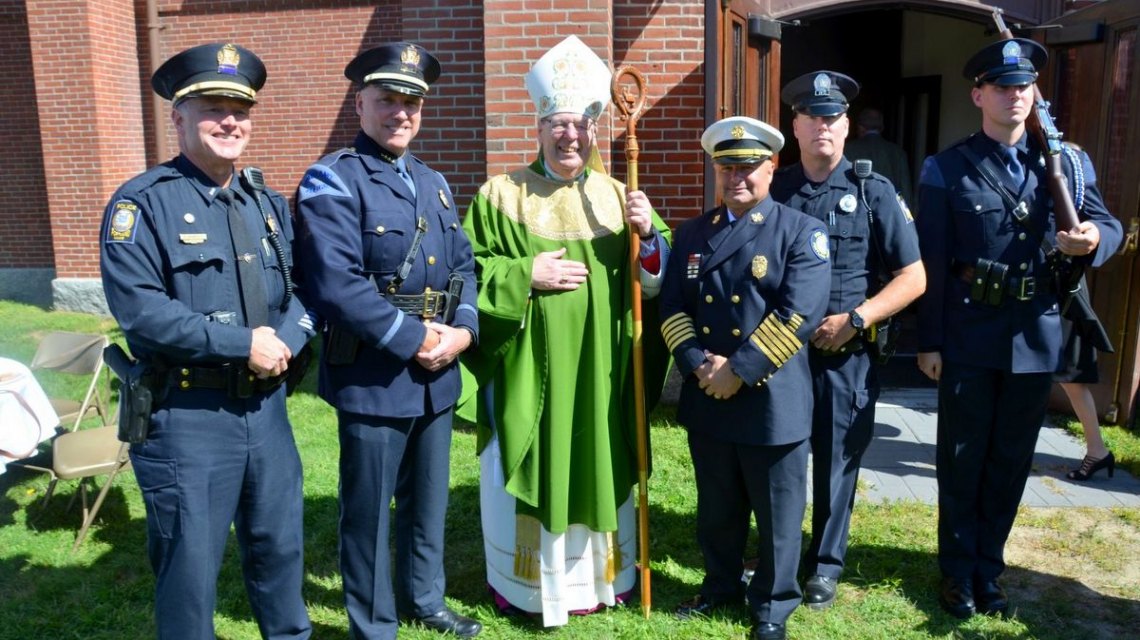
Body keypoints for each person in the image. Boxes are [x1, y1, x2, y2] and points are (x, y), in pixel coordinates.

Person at [455, 35, 671, 627]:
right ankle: (525, 587)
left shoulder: (619, 197)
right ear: (540, 126)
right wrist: (525, 273)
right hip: (529, 370)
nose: (569, 135)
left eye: (579, 124)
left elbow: (654, 284)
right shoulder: (500, 196)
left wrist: (648, 236)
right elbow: (464, 273)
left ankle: (605, 578)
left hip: (601, 371)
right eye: (557, 123)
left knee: (598, 454)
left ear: (596, 130)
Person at [100, 44, 314, 640]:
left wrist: (288, 340)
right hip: (187, 418)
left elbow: (303, 292)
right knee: (190, 576)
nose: (230, 122)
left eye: (240, 111)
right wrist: (242, 343)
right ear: (179, 118)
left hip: (266, 414)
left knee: (280, 555)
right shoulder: (141, 204)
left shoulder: (266, 205)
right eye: (212, 109)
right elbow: (142, 315)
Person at [915, 38, 1122, 619]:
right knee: (962, 460)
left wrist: (1094, 240)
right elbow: (931, 260)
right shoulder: (947, 167)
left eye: (1024, 86)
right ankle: (956, 574)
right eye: (1003, 87)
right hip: (968, 334)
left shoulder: (1066, 164)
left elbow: (1109, 225)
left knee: (1009, 462)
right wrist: (929, 341)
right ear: (978, 94)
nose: (1015, 96)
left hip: (1035, 334)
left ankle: (990, 571)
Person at [293, 43, 481, 640]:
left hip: (438, 370)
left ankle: (425, 601)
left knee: (428, 504)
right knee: (369, 511)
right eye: (387, 100)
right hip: (374, 373)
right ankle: (374, 624)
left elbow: (463, 266)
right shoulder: (333, 178)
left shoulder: (434, 181)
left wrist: (465, 330)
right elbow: (334, 283)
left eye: (411, 102)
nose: (400, 112)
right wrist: (413, 337)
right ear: (360, 103)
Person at [664, 116, 830, 640]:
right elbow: (673, 308)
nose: (737, 176)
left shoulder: (801, 231)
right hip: (709, 395)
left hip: (769, 398)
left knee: (777, 514)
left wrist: (737, 371)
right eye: (727, 166)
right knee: (717, 505)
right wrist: (696, 365)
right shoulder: (693, 232)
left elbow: (798, 314)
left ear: (771, 167)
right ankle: (720, 588)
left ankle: (773, 606)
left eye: (749, 166)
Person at [769, 71, 925, 611]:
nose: (822, 127)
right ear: (795, 125)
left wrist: (858, 319)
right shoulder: (776, 189)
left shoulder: (872, 191)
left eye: (832, 117)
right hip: (783, 356)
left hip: (846, 355)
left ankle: (826, 564)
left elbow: (914, 276)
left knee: (836, 461)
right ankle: (779, 551)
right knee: (781, 457)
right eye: (811, 117)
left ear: (847, 125)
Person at [1054, 146, 1115, 481]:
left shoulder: (1074, 167)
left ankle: (1097, 450)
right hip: (1059, 287)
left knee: (1072, 376)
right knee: (1068, 377)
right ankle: (1097, 450)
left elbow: (1103, 223)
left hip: (1067, 289)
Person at [844, 107, 914, 204]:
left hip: (856, 206)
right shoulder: (897, 152)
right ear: (882, 128)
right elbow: (905, 188)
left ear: (860, 128)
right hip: (889, 206)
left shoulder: (847, 149)